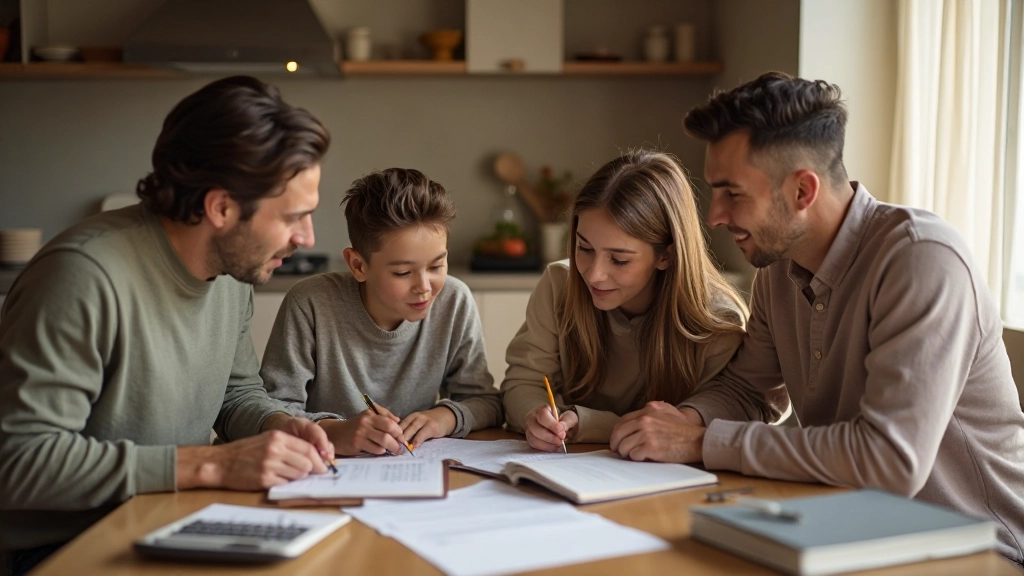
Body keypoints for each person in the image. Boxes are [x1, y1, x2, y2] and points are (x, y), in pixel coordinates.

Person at [609, 71, 1024, 564]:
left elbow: (890, 461)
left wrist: (702, 440)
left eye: (732, 193)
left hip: (980, 553)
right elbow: (747, 391)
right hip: (854, 532)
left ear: (803, 191)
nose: (714, 215)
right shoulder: (777, 270)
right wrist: (677, 424)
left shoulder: (922, 260)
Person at [0, 75, 336, 575]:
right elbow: (20, 462)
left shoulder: (232, 269)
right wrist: (212, 464)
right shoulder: (82, 277)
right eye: (293, 216)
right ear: (221, 207)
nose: (306, 237)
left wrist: (278, 426)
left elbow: (233, 393)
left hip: (171, 515)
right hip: (69, 547)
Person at [502, 150, 751, 450]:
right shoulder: (559, 285)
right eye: (584, 248)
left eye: (619, 260)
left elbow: (688, 428)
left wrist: (589, 423)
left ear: (666, 255)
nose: (593, 275)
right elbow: (522, 383)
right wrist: (534, 416)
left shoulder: (716, 323)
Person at [260, 167, 502, 456]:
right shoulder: (310, 303)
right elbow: (271, 411)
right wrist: (335, 430)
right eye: (402, 272)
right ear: (358, 266)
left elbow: (487, 402)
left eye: (437, 266)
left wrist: (444, 418)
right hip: (328, 471)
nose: (424, 287)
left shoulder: (454, 300)